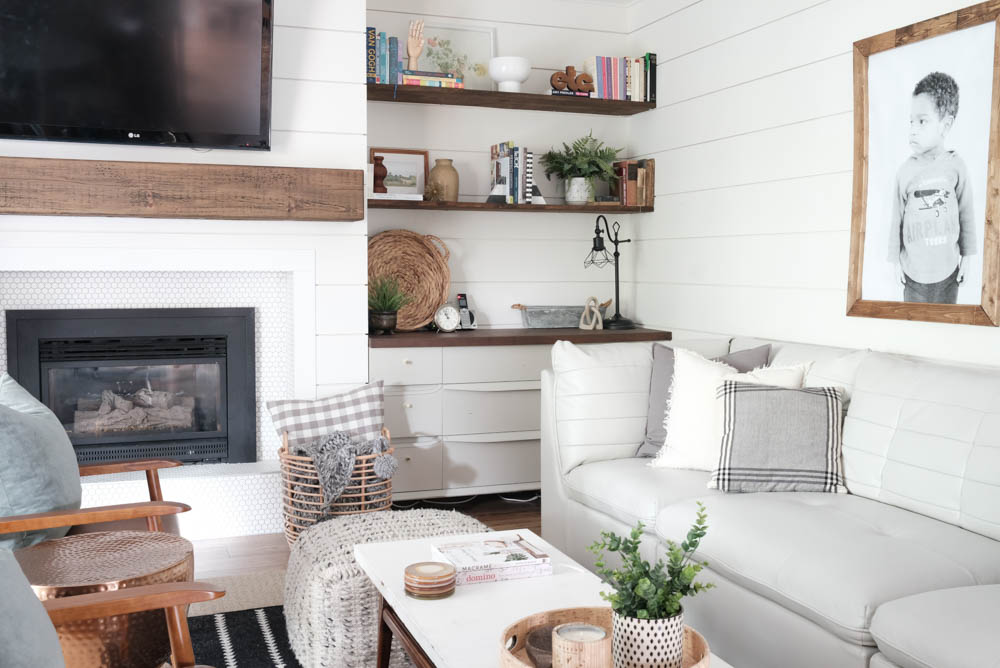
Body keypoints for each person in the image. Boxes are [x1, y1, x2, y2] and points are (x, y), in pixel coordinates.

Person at [888, 71, 976, 303]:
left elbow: (967, 214)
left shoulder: (957, 166)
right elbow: (895, 220)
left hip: (949, 275)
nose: (913, 129)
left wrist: (967, 258)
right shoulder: (904, 171)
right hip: (912, 277)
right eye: (911, 121)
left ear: (945, 125)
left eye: (922, 121)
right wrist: (895, 262)